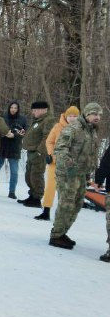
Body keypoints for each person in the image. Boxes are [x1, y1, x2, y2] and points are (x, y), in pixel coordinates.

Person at [49, 102, 103, 249]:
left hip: (81, 174)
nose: (96, 117)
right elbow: (60, 149)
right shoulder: (73, 128)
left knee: (77, 204)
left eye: (98, 114)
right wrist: (70, 166)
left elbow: (90, 154)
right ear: (86, 114)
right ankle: (56, 235)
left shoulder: (92, 130)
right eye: (93, 114)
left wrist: (90, 172)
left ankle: (62, 232)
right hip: (67, 174)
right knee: (66, 204)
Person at [35, 106, 79, 221]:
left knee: (66, 189)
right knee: (50, 187)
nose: (72, 118)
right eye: (70, 116)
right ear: (66, 116)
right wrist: (50, 154)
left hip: (70, 164)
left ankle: (63, 215)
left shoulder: (80, 130)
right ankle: (46, 211)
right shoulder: (57, 127)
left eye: (75, 116)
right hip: (54, 162)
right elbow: (49, 141)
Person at [18, 100, 55, 208]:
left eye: (34, 110)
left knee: (36, 176)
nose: (33, 112)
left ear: (42, 110)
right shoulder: (38, 120)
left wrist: (40, 151)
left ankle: (37, 198)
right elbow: (35, 134)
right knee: (29, 175)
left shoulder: (48, 121)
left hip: (39, 153)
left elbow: (47, 137)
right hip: (31, 152)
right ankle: (32, 195)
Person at [0, 100, 26, 198]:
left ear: (18, 109)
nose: (13, 109)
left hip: (14, 147)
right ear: (9, 108)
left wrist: (14, 135)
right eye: (11, 107)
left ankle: (12, 192)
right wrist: (6, 134)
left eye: (15, 108)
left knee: (14, 171)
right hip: (2, 146)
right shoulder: (2, 118)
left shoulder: (22, 119)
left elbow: (24, 133)